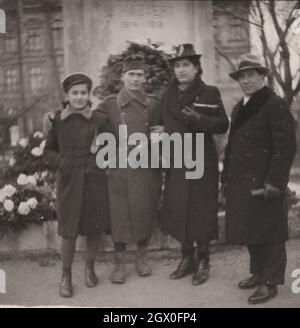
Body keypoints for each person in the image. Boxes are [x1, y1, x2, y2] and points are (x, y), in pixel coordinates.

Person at [222, 53, 296, 304]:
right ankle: (258, 272)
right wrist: (225, 179)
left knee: (271, 232)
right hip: (242, 181)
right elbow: (231, 146)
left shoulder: (275, 104)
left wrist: (274, 182)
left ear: (262, 77)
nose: (246, 80)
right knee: (251, 228)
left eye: (251, 75)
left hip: (266, 182)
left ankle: (270, 282)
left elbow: (286, 147)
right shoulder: (240, 106)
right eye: (242, 76)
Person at [156, 44, 229, 285]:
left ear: (197, 67)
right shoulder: (167, 96)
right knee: (179, 208)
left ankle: (204, 259)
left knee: (201, 210)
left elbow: (222, 124)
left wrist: (200, 120)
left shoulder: (209, 91)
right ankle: (187, 258)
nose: (181, 70)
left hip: (201, 161)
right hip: (177, 160)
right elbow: (160, 125)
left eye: (186, 64)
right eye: (177, 65)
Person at [44, 73, 110, 298]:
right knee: (69, 229)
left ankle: (90, 268)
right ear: (67, 95)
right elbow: (48, 151)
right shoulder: (58, 120)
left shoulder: (99, 119)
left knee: (94, 226)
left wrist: (98, 155)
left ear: (88, 94)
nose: (80, 97)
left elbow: (113, 145)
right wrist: (63, 164)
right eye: (75, 93)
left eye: (83, 93)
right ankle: (66, 275)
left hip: (94, 180)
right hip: (69, 181)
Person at [98, 57, 161, 284]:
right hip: (119, 168)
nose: (135, 79)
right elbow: (95, 129)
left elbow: (162, 132)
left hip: (145, 167)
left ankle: (142, 257)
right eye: (131, 74)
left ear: (145, 78)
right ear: (123, 77)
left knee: (144, 210)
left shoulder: (154, 104)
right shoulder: (109, 104)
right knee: (120, 215)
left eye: (139, 75)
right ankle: (119, 262)